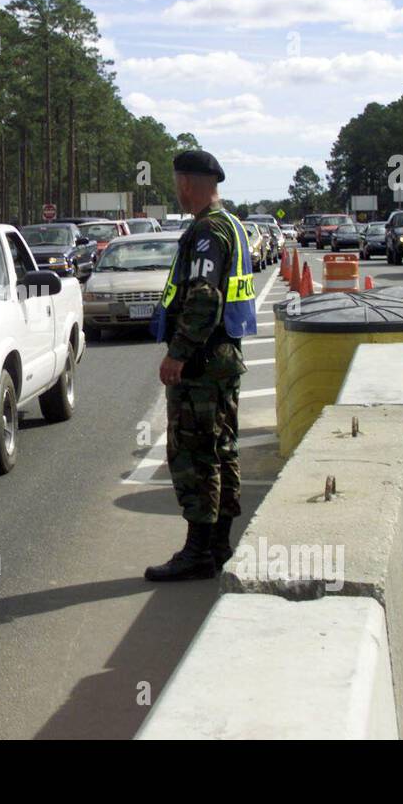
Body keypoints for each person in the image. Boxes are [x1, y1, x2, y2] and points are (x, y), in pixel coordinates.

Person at [145, 149, 257, 581]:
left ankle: (198, 552)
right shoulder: (232, 225)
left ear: (188, 182)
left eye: (177, 181)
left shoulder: (207, 233)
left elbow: (204, 297)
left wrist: (179, 353)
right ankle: (219, 545)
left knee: (194, 456)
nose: (176, 189)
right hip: (225, 356)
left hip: (203, 362)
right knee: (222, 450)